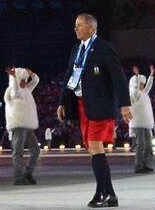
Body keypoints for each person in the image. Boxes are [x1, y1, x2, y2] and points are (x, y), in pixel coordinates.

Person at [57, 13, 131, 208]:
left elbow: (118, 77)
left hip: (100, 104)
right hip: (82, 105)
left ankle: (101, 193)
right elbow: (69, 78)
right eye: (75, 25)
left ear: (92, 28)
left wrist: (125, 104)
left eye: (79, 25)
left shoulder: (104, 48)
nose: (76, 29)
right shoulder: (75, 50)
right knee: (92, 149)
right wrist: (62, 102)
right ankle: (111, 195)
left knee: (96, 146)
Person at [4, 67, 41, 185]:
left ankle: (27, 173)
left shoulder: (27, 91)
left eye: (25, 79)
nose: (25, 82)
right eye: (23, 79)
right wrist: (13, 77)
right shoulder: (14, 91)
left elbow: (36, 81)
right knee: (18, 152)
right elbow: (15, 88)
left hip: (28, 124)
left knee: (36, 150)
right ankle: (19, 177)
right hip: (18, 124)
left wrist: (32, 73)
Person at [129, 64, 155, 173]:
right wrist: (136, 77)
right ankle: (138, 166)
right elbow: (135, 90)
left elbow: (149, 86)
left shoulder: (144, 93)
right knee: (141, 145)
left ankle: (144, 164)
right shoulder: (134, 95)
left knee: (148, 145)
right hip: (138, 123)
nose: (143, 85)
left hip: (146, 123)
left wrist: (151, 75)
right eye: (141, 83)